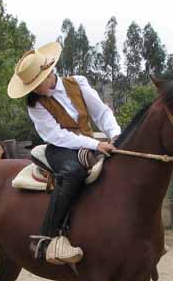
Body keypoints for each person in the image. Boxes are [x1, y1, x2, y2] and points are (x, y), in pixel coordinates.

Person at [7, 42, 120, 264]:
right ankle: (49, 237)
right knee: (73, 172)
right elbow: (57, 135)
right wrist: (95, 145)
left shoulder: (78, 83)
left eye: (38, 83)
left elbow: (102, 112)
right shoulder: (35, 104)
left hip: (90, 140)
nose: (37, 89)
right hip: (60, 148)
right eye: (33, 86)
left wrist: (116, 135)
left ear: (49, 71)